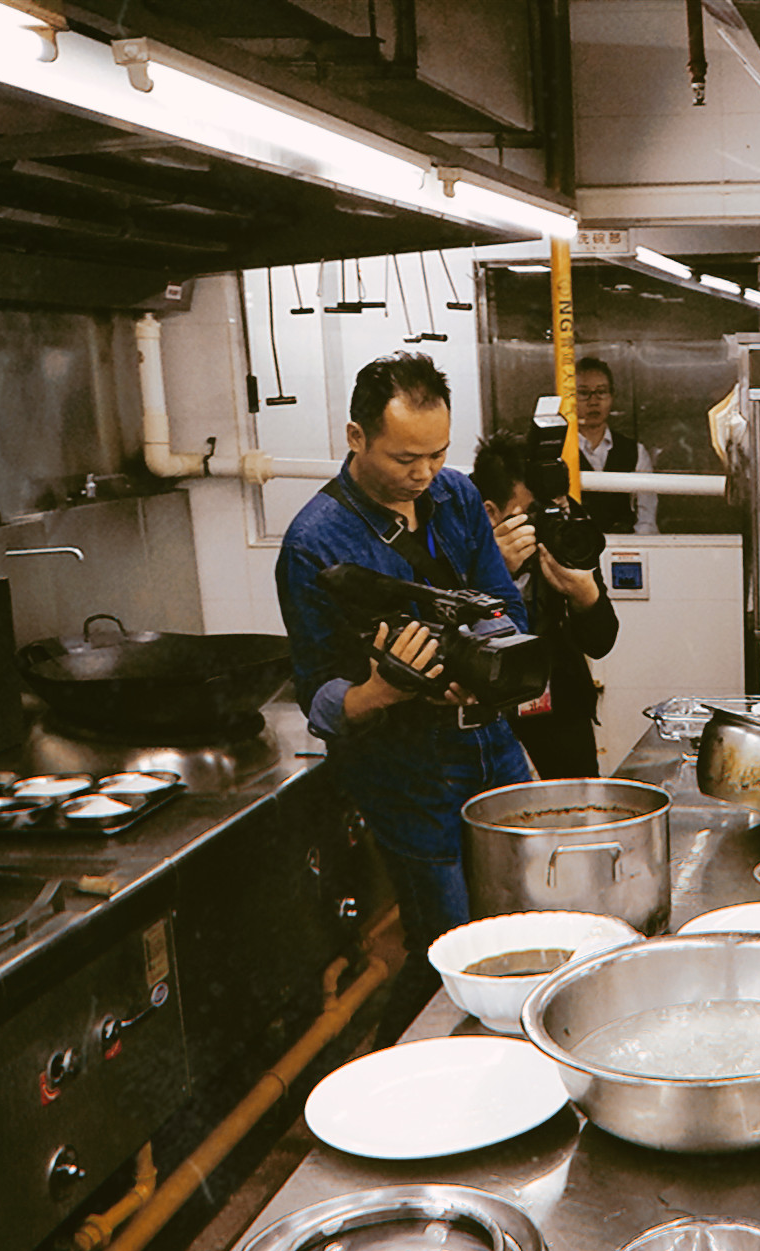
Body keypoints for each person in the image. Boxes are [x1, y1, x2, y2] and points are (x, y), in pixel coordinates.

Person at [275, 353, 535, 1020]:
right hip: (408, 773)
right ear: (355, 437)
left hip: (495, 749)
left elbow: (510, 609)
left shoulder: (453, 497)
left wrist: (478, 664)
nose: (422, 474)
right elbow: (322, 698)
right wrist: (391, 688)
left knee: (527, 928)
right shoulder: (314, 545)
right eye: (402, 458)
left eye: (436, 453)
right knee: (450, 956)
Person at [472, 432, 619, 779]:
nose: (546, 522)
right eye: (531, 515)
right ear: (491, 512)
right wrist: (491, 570)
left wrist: (585, 596)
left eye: (554, 507)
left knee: (578, 809)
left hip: (559, 697)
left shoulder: (565, 525)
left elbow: (601, 642)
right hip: (482, 705)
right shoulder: (458, 532)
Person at [574, 356, 659, 536]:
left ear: (612, 396)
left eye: (601, 392)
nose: (593, 401)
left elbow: (646, 519)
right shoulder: (559, 451)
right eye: (583, 393)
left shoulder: (635, 452)